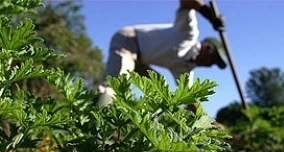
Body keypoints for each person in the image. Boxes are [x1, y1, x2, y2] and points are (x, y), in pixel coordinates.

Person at [97, 0, 228, 108]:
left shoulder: (185, 70)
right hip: (129, 41)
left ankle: (138, 122)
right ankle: (95, 130)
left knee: (159, 91)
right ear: (209, 48)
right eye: (214, 60)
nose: (211, 66)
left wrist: (206, 122)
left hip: (141, 61)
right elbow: (186, 2)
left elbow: (190, 99)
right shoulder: (188, 35)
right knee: (115, 83)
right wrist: (210, 16)